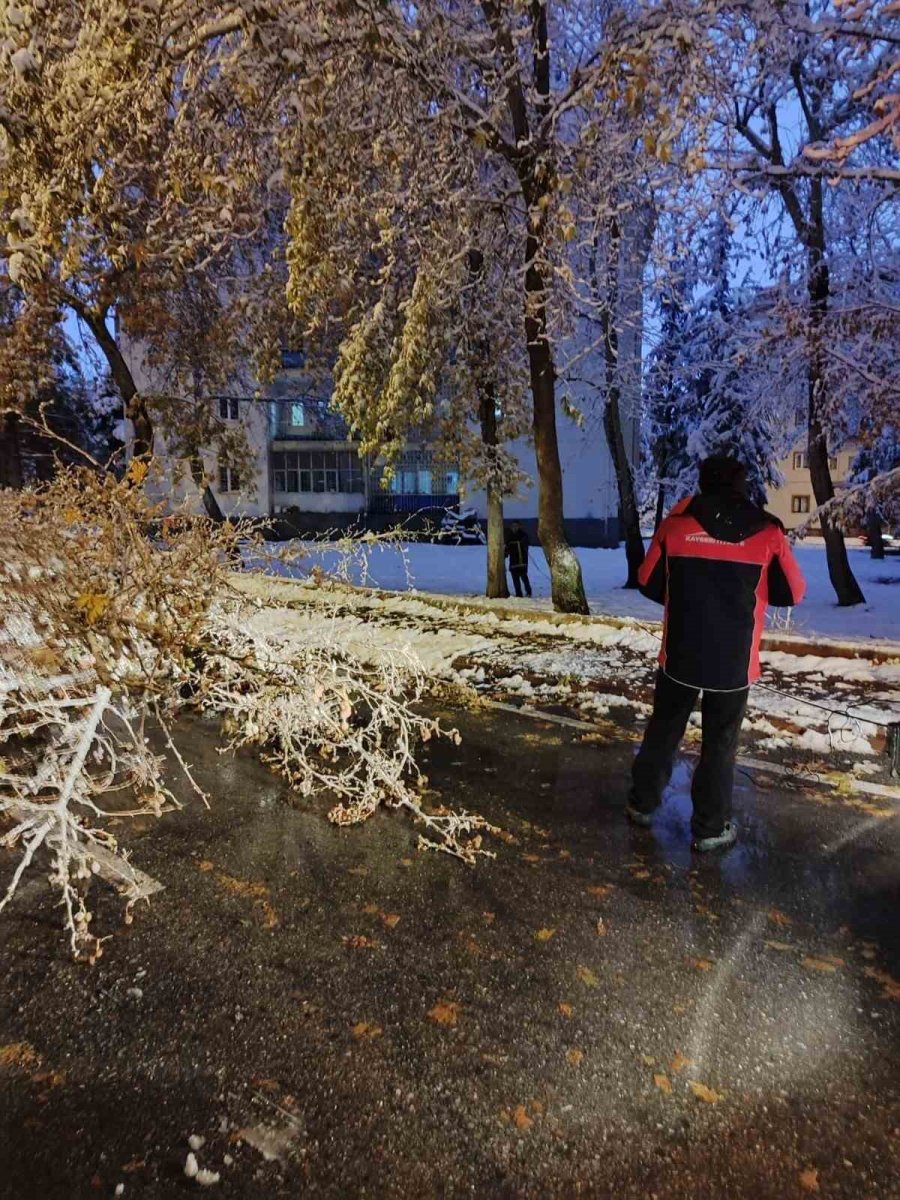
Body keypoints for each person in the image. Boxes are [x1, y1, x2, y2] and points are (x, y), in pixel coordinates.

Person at [626, 456, 806, 852]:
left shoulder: (677, 524)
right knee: (720, 744)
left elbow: (646, 579)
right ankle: (709, 828)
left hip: (679, 657)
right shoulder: (768, 531)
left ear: (703, 484)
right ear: (742, 487)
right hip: (734, 665)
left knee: (664, 730)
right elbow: (793, 592)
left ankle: (642, 803)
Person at [505, 521, 532, 598]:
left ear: (519, 526)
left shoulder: (523, 535)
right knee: (515, 578)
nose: (514, 528)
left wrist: (523, 544)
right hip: (513, 560)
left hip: (522, 559)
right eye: (513, 526)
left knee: (524, 577)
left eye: (516, 526)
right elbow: (507, 547)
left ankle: (528, 591)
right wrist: (506, 553)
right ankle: (518, 593)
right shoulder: (509, 536)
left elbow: (526, 545)